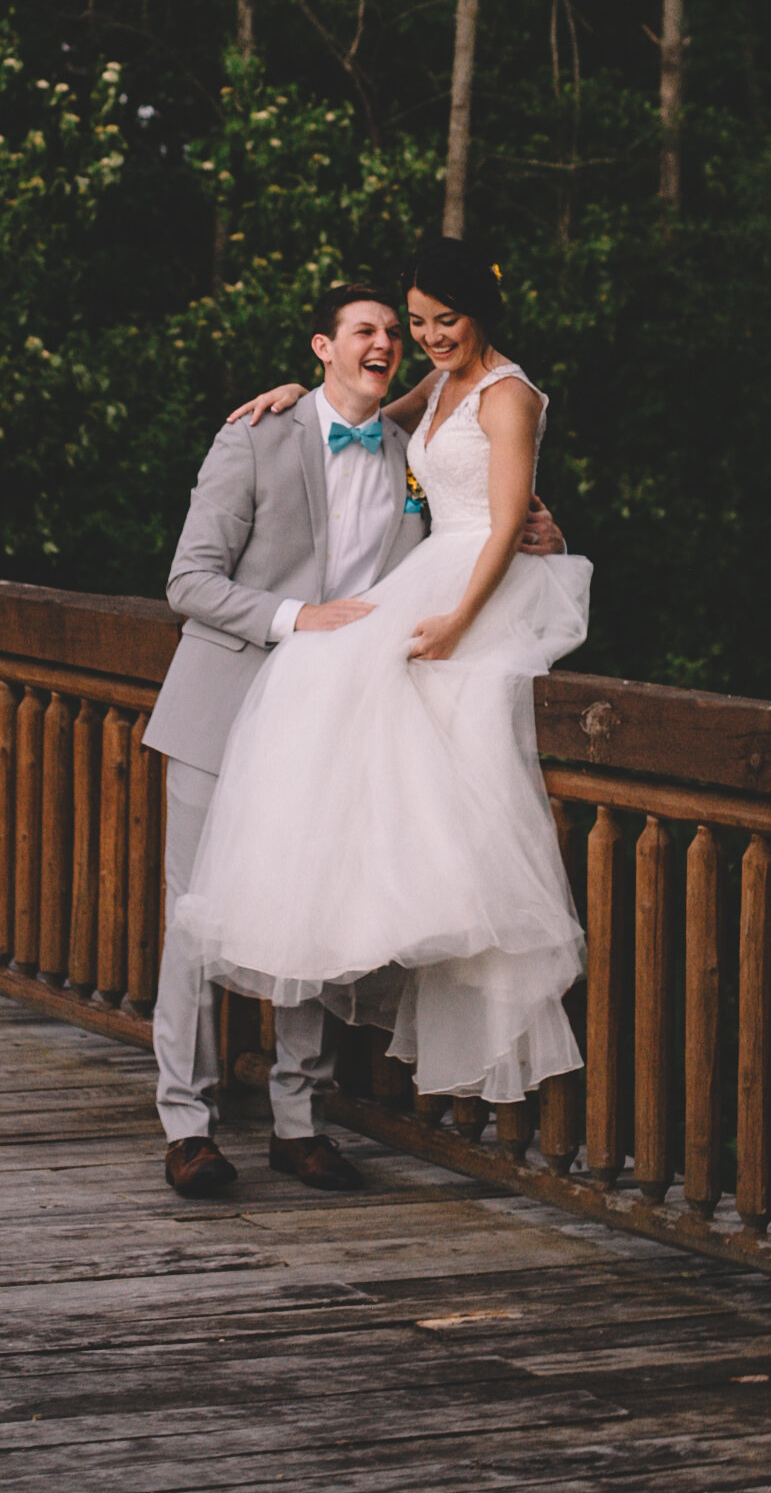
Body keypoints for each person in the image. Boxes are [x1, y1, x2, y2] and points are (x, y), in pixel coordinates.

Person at [142, 275, 566, 1199]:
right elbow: (190, 581)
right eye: (365, 330)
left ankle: (301, 1121)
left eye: (395, 333)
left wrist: (535, 528)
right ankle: (189, 1125)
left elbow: (463, 536)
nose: (385, 343)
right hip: (225, 710)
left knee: (317, 911)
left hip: (335, 723)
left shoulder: (411, 450)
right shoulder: (255, 435)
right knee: (195, 919)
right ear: (321, 348)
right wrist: (302, 618)